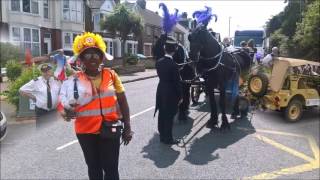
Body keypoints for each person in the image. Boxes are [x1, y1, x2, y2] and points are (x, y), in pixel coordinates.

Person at [59, 32, 133, 180]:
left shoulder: (111, 75)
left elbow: (123, 101)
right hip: (86, 133)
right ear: (80, 59)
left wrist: (128, 126)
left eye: (96, 54)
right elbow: (62, 104)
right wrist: (66, 112)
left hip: (110, 129)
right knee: (94, 169)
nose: (92, 58)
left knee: (111, 169)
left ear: (102, 57)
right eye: (87, 55)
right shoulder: (73, 80)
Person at [154, 36, 182, 145]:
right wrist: (180, 96)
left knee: (162, 114)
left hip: (160, 89)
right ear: (174, 51)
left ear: (165, 49)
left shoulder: (159, 62)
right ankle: (168, 138)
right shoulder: (174, 65)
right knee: (169, 115)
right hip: (170, 92)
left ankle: (162, 136)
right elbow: (177, 83)